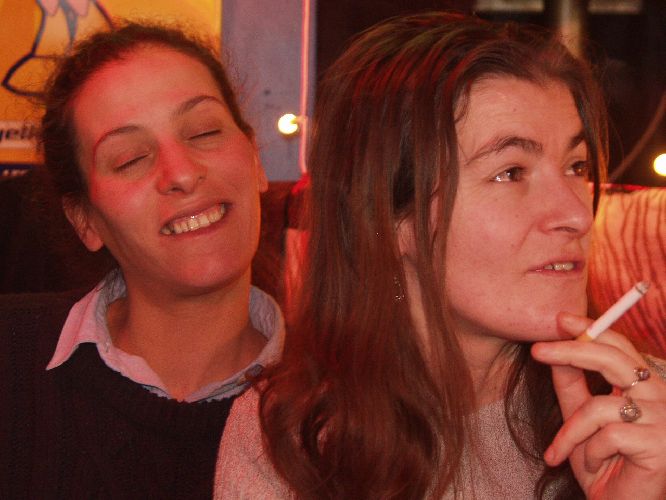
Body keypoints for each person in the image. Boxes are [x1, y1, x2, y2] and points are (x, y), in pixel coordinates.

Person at [214, 11, 666, 499]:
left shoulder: (647, 414)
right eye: (511, 172)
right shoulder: (292, 441)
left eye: (577, 166)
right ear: (391, 220)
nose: (577, 215)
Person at [0, 22, 284, 498]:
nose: (182, 174)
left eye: (204, 131)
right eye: (130, 158)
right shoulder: (12, 361)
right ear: (85, 220)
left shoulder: (348, 412)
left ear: (255, 159)